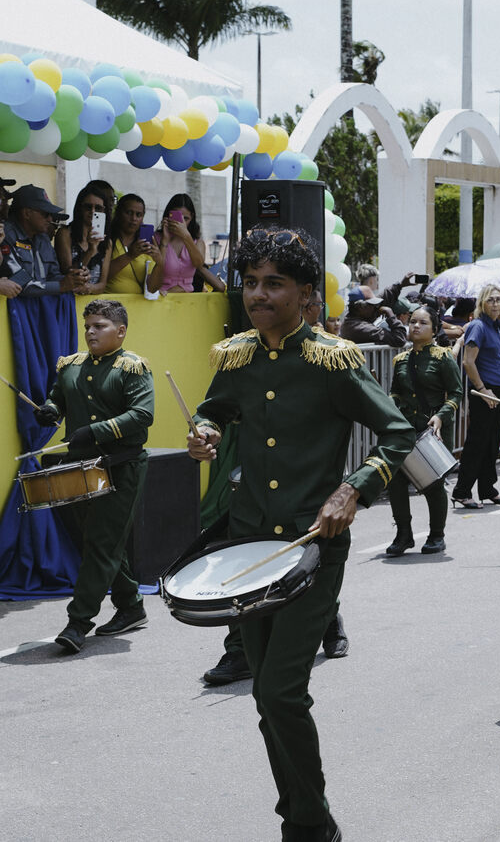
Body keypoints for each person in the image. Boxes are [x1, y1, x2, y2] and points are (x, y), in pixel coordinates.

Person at [187, 227, 413, 842]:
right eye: (250, 283)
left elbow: (398, 432)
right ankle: (303, 816)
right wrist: (205, 431)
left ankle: (309, 824)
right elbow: (215, 408)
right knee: (267, 697)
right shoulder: (237, 357)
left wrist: (353, 489)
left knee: (281, 692)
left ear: (307, 294)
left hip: (312, 546)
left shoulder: (332, 360)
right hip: (247, 545)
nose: (258, 295)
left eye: (274, 284)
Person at [34, 299, 154, 653]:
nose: (90, 332)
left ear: (121, 331)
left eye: (99, 326)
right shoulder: (70, 366)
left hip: (121, 465)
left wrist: (96, 431)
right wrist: (50, 410)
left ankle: (78, 622)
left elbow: (142, 415)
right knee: (99, 540)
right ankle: (131, 605)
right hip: (81, 466)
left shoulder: (131, 368)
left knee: (101, 542)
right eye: (87, 326)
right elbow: (59, 398)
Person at [385, 305, 463, 555]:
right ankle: (403, 535)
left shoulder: (443, 357)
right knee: (396, 481)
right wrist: (389, 404)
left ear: (434, 329)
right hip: (405, 429)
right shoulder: (400, 360)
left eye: (423, 323)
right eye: (412, 322)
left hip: (433, 430)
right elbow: (396, 392)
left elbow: (456, 393)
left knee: (432, 483)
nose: (416, 326)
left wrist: (441, 416)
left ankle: (437, 535)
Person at [452, 284, 500, 508]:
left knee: (492, 441)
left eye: (498, 299)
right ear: (482, 303)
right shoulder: (478, 326)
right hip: (485, 390)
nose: (495, 304)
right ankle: (461, 491)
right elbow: (468, 362)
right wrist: (484, 390)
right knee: (477, 442)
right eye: (490, 300)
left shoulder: (495, 326)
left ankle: (488, 489)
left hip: (498, 388)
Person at [3, 185, 81, 295]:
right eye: (45, 214)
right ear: (27, 213)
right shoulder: (5, 235)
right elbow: (19, 284)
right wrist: (62, 285)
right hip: (13, 305)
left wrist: (75, 280)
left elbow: (53, 276)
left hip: (41, 304)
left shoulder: (43, 238)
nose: (50, 219)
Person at [55, 183, 114, 295]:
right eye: (88, 207)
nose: (93, 211)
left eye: (98, 208)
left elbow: (102, 284)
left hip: (92, 301)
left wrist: (89, 288)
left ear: (104, 211)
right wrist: (90, 251)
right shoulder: (65, 234)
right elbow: (68, 273)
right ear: (79, 208)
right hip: (68, 299)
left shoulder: (107, 242)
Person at [147, 193, 210, 294]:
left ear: (192, 218)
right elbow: (153, 272)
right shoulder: (156, 238)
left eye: (185, 219)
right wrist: (164, 241)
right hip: (161, 297)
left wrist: (186, 236)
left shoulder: (197, 242)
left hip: (186, 298)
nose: (181, 223)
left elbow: (198, 264)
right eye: (178, 218)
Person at [105, 193, 159, 294]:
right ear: (118, 213)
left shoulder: (146, 243)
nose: (134, 218)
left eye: (138, 215)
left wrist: (160, 263)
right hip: (108, 301)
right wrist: (130, 255)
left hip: (137, 303)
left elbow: (152, 289)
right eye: (129, 213)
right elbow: (100, 277)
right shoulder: (106, 239)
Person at [339, 286, 406, 347]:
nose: (376, 307)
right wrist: (390, 314)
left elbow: (383, 298)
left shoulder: (351, 318)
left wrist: (400, 285)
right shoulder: (362, 328)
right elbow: (399, 339)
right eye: (372, 304)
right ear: (360, 307)